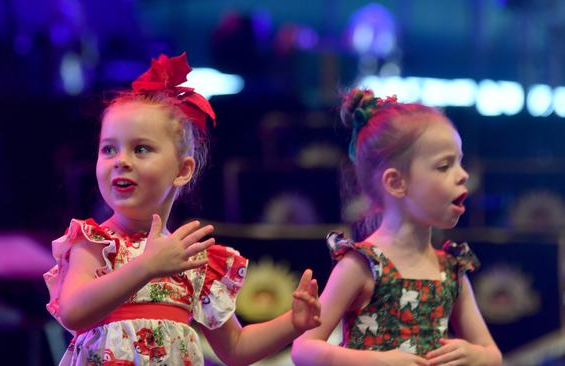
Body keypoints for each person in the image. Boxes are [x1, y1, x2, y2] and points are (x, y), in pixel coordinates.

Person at [43, 52, 321, 366]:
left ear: (182, 169)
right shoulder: (95, 243)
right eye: (109, 148)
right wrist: (146, 266)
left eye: (141, 148)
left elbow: (236, 348)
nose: (121, 160)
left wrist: (293, 323)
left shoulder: (190, 258)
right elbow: (74, 312)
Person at [291, 89, 502, 366]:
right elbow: (303, 349)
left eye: (459, 162)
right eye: (444, 166)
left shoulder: (451, 271)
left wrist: (476, 356)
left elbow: (493, 355)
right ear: (396, 182)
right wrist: (373, 362)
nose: (463, 175)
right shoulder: (361, 266)